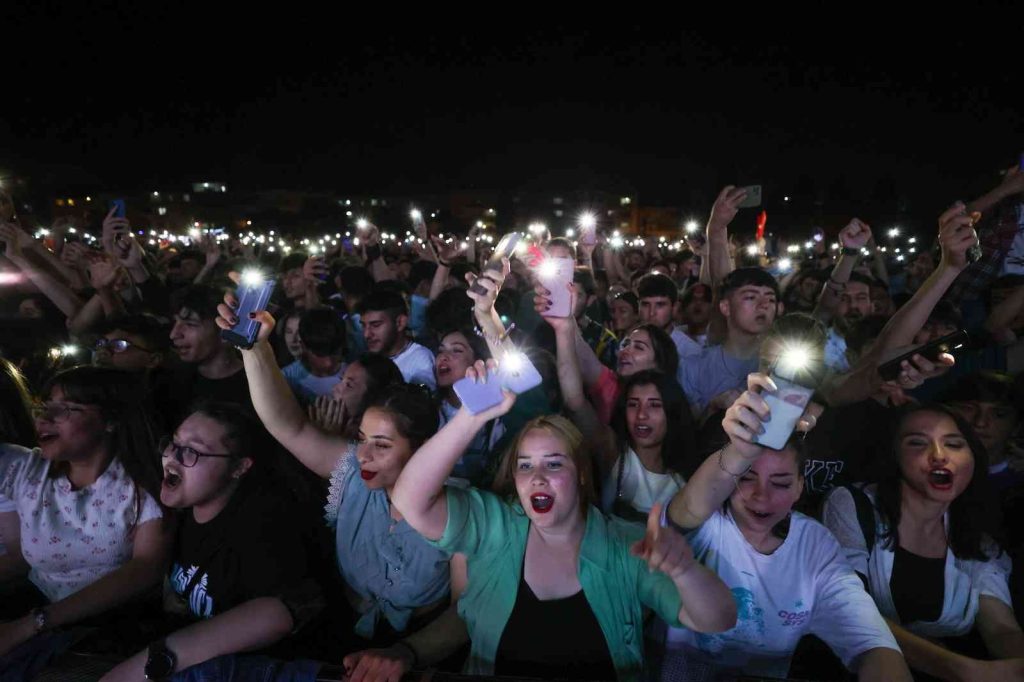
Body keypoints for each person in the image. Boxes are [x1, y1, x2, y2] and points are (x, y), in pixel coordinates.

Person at [391, 360, 737, 681]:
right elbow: (410, 501)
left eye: (554, 464)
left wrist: (684, 571)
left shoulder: (625, 544)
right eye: (525, 465)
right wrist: (471, 415)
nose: (537, 477)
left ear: (581, 475)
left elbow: (718, 619)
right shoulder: (495, 526)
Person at [214, 299, 463, 660]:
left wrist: (406, 654)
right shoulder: (353, 477)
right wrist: (255, 349)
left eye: (382, 445)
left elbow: (464, 611)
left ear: (422, 449)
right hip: (342, 632)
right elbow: (288, 425)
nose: (364, 455)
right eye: (362, 439)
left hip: (422, 647)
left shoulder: (459, 508)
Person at [660, 375, 912, 681]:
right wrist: (740, 451)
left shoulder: (816, 546)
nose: (761, 496)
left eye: (780, 483)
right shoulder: (707, 524)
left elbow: (872, 642)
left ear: (799, 487)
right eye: (747, 478)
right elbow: (688, 509)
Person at [100, 402, 325, 682]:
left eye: (192, 451)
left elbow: (282, 611)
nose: (171, 457)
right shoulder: (182, 514)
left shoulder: (264, 520)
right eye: (174, 443)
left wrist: (161, 659)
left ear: (239, 467)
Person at [823, 405, 1024, 681]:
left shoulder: (977, 537)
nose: (939, 456)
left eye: (954, 444)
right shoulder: (854, 505)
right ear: (893, 454)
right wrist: (964, 670)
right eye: (917, 443)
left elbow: (1001, 629)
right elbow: (850, 612)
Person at [0, 367, 171, 674]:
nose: (44, 418)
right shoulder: (27, 470)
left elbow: (145, 568)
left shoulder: (142, 484)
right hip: (35, 602)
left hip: (113, 626)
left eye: (64, 409)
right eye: (44, 407)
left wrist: (33, 624)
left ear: (111, 420)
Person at [678, 267, 779, 419]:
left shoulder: (782, 367)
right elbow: (684, 427)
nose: (764, 305)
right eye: (751, 297)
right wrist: (713, 407)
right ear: (725, 307)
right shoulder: (693, 368)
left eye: (771, 299)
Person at [165, 284, 251, 424]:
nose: (174, 334)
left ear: (225, 330)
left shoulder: (255, 385)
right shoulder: (172, 382)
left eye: (190, 324)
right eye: (175, 322)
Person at [360, 289, 436, 390]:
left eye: (376, 325)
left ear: (400, 323)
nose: (366, 334)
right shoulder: (367, 359)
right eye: (363, 326)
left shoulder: (420, 361)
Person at [282, 308, 346, 404]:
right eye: (319, 354)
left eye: (333, 353)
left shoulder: (357, 375)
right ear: (303, 345)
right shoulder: (286, 379)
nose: (328, 363)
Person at [637, 273, 702, 361]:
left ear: (674, 308)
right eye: (645, 304)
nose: (651, 313)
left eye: (660, 305)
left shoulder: (690, 352)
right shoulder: (627, 346)